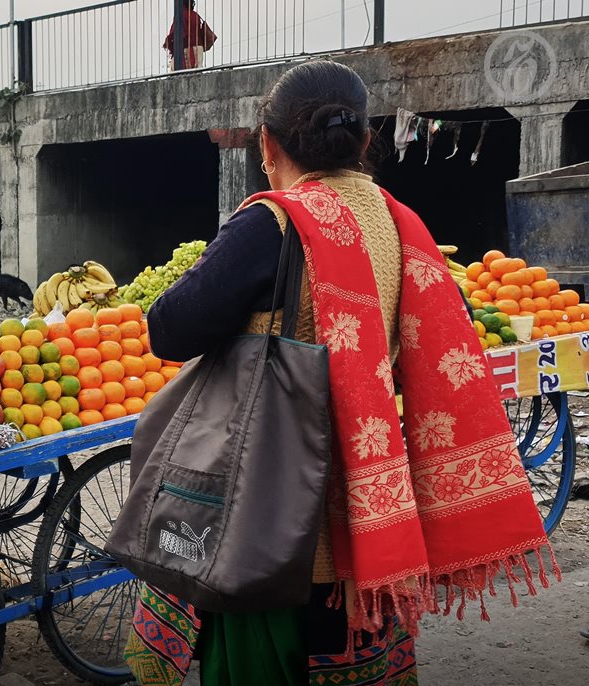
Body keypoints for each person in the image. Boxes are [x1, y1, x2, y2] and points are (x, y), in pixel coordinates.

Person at [125, 60, 554, 685]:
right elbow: (441, 337)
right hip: (365, 509)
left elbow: (169, 329)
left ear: (269, 144)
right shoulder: (400, 222)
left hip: (263, 506)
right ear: (364, 141)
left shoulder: (271, 222)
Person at [163, 0, 216, 70]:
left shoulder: (181, 14)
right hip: (198, 47)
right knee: (196, 73)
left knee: (182, 74)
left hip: (187, 48)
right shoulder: (195, 15)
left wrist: (167, 42)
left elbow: (176, 32)